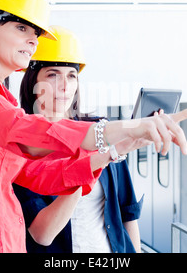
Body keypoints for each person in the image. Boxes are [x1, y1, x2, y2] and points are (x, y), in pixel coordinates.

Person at [0, 0, 187, 253]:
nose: (33, 40)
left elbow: (36, 173)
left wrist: (116, 149)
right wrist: (120, 128)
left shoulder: (2, 99)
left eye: (35, 32)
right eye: (22, 28)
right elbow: (25, 136)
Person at [13, 25, 143, 253]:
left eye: (71, 76)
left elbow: (128, 213)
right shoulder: (22, 147)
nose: (64, 86)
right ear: (34, 82)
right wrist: (89, 165)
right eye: (53, 75)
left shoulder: (101, 131)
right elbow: (42, 234)